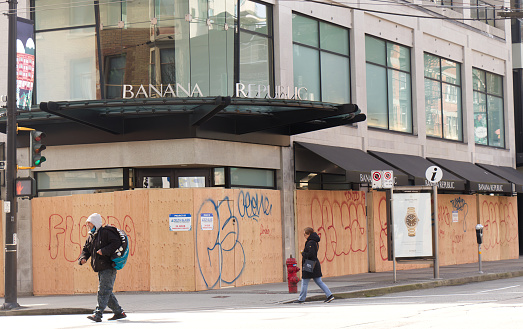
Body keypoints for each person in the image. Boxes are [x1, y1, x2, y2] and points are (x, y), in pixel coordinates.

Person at [78, 213, 127, 322]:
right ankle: (119, 313)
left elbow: (116, 243)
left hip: (109, 266)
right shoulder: (91, 236)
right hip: (100, 268)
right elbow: (86, 249)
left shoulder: (106, 233)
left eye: (89, 223)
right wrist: (83, 258)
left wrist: (104, 251)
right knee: (107, 292)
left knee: (103, 290)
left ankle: (98, 314)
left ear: (95, 223)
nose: (87, 225)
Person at [294, 227, 334, 303]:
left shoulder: (311, 242)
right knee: (319, 281)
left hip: (310, 264)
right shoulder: (314, 241)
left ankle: (301, 299)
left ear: (309, 234)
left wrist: (303, 253)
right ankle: (329, 295)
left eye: (305, 234)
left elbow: (311, 254)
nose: (304, 236)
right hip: (314, 264)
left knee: (305, 282)